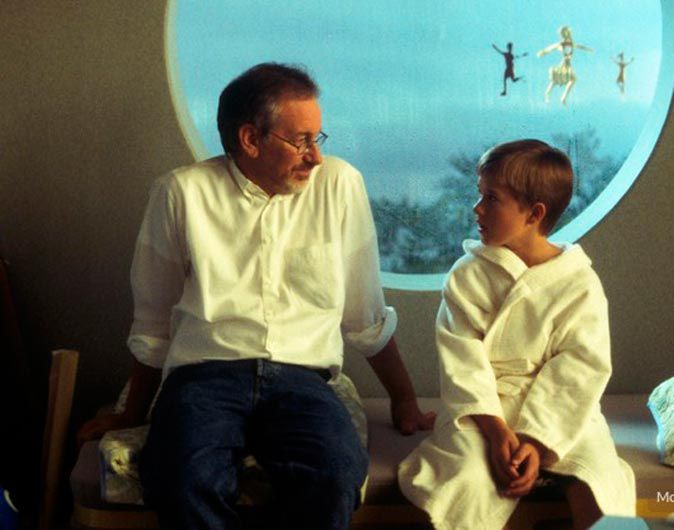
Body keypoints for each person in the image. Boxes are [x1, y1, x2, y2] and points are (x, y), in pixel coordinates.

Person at [76, 62, 434, 530]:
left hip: (304, 380)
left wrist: (404, 399)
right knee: (181, 477)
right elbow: (153, 323)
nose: (315, 157)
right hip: (204, 377)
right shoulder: (181, 193)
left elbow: (364, 314)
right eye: (301, 141)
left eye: (318, 139)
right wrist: (132, 412)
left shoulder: (340, 184)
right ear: (250, 139)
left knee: (335, 475)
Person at [397, 140, 635, 530]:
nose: (477, 209)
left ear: (533, 214)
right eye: (479, 195)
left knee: (599, 481)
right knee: (467, 480)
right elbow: (462, 359)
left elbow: (581, 367)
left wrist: (537, 442)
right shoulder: (467, 275)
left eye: (491, 199)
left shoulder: (578, 282)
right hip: (483, 409)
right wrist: (496, 431)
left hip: (561, 412)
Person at [537, 26, 592, 105]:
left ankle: (555, 95)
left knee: (558, 80)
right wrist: (543, 52)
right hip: (565, 63)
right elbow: (552, 47)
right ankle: (558, 96)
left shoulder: (570, 43)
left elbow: (579, 46)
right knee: (564, 79)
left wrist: (588, 49)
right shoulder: (563, 43)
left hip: (567, 64)